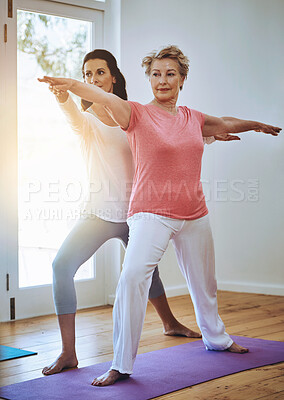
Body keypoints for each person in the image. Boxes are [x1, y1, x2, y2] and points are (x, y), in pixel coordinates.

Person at [39, 45, 281, 385]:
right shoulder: (134, 112)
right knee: (131, 278)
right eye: (155, 74)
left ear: (182, 79)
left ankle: (217, 338)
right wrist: (68, 86)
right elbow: (101, 99)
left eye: (170, 74)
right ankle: (120, 364)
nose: (162, 80)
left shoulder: (192, 118)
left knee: (205, 284)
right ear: (147, 78)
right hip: (149, 213)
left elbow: (218, 124)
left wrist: (255, 124)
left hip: (194, 212)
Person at [39, 49, 205, 376]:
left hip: (136, 212)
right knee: (61, 266)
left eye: (99, 72)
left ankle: (170, 323)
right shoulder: (87, 122)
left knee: (144, 270)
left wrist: (211, 135)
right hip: (99, 214)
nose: (93, 79)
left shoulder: (136, 116)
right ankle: (69, 352)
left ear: (113, 77)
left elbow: (174, 141)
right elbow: (73, 116)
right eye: (87, 75)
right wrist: (63, 97)